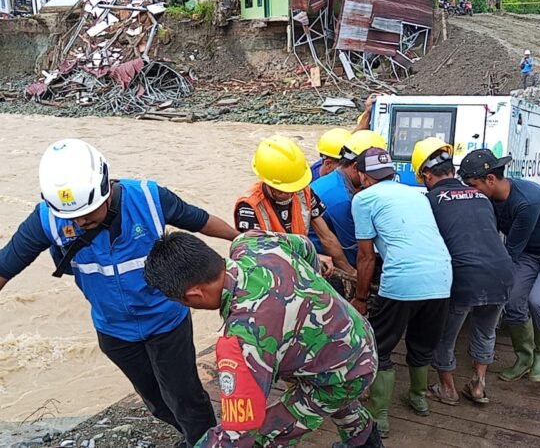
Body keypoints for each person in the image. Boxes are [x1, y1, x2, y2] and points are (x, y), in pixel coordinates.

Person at [0, 140, 239, 447]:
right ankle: (195, 437)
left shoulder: (148, 198)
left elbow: (200, 220)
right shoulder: (46, 220)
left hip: (166, 321)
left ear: (105, 188)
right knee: (157, 402)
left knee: (186, 398)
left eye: (87, 213)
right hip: (114, 331)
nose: (80, 222)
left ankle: (206, 442)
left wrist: (245, 240)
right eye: (73, 216)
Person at [143, 231, 383, 448]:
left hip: (343, 373)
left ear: (194, 294)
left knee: (265, 436)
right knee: (334, 399)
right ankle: (365, 440)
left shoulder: (243, 337)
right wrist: (314, 293)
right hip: (357, 336)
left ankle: (364, 439)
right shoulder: (251, 242)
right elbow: (306, 246)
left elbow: (238, 434)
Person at [351, 148, 453, 437]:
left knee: (380, 345)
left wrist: (360, 298)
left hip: (402, 280)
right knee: (422, 341)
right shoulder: (417, 195)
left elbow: (366, 257)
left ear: (363, 176)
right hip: (441, 277)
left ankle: (379, 417)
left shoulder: (364, 199)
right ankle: (418, 398)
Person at [459, 149, 540, 383]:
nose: (471, 191)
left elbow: (511, 251)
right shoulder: (490, 199)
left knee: (539, 300)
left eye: (473, 185)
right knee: (513, 300)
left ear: (490, 179)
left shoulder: (527, 202)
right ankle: (524, 357)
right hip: (530, 249)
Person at [411, 138, 514, 406]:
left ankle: (447, 389)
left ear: (427, 175)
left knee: (444, 335)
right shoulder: (481, 196)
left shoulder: (430, 201)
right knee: (485, 331)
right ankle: (478, 385)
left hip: (464, 276)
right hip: (502, 272)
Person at [234, 135, 355, 275]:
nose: (289, 194)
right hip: (268, 272)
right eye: (282, 190)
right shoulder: (249, 206)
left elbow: (326, 237)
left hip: (299, 263)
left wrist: (349, 271)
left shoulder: (305, 193)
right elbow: (257, 254)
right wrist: (312, 257)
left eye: (293, 188)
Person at [309, 130, 387, 267]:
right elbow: (353, 251)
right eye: (374, 174)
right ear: (356, 168)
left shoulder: (336, 181)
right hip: (321, 258)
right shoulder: (340, 199)